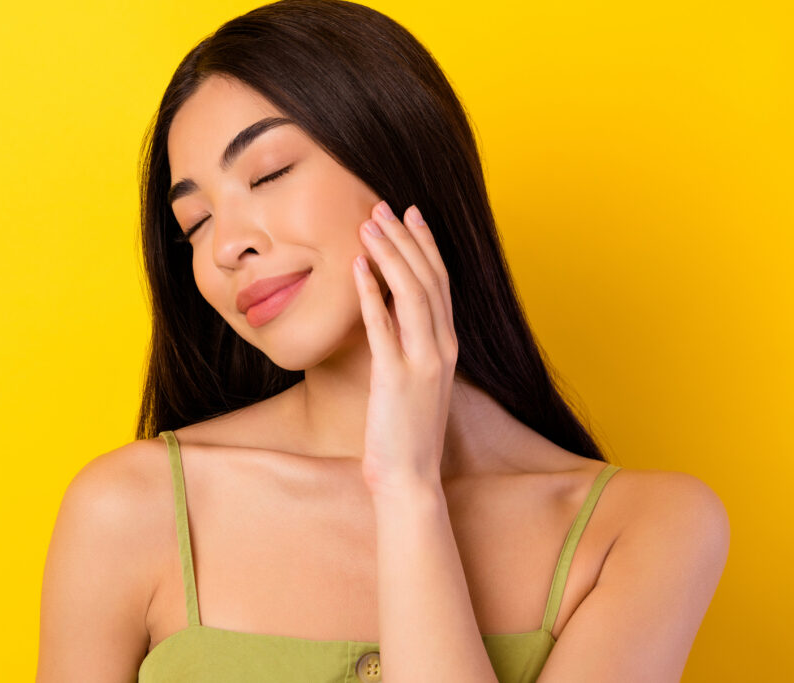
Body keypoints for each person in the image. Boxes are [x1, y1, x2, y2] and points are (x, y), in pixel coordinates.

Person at [37, 1, 729, 681]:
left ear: (398, 155)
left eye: (269, 173)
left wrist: (408, 489)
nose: (224, 246)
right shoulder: (128, 509)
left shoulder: (648, 529)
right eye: (194, 222)